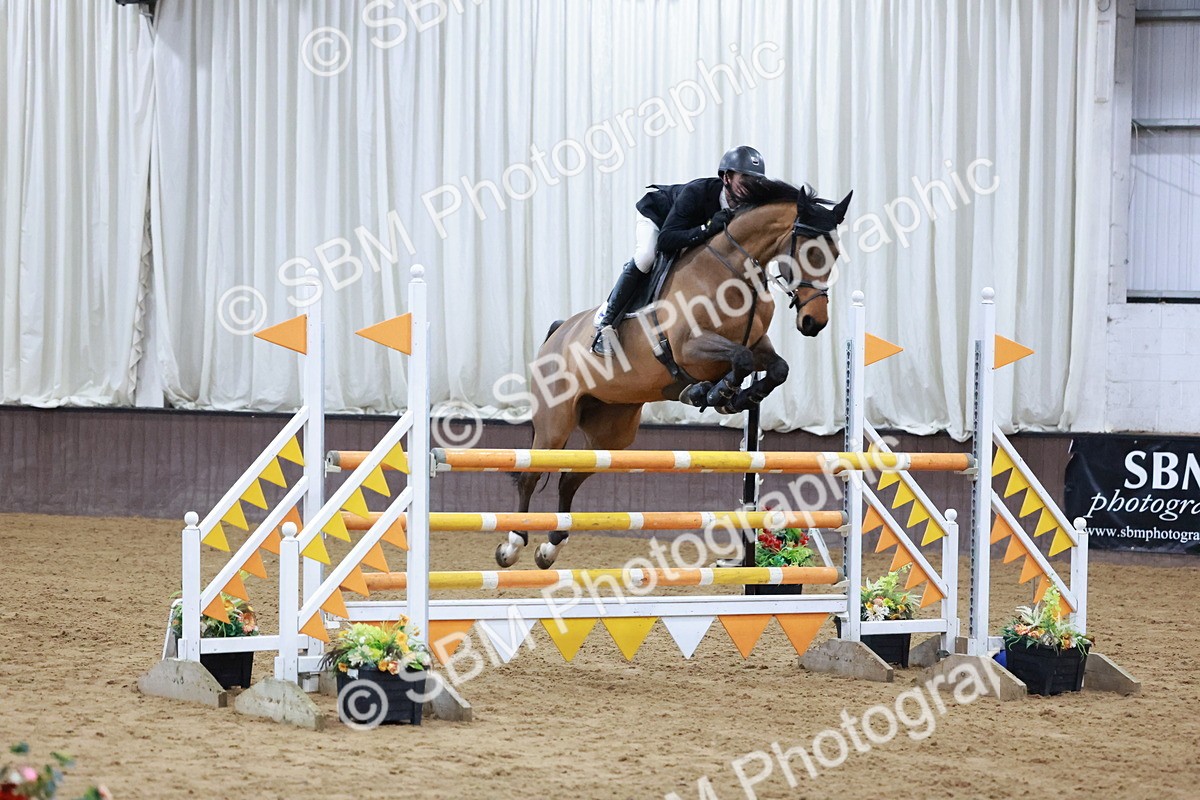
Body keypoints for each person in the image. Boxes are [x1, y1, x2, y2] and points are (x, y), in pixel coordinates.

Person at [591, 146, 767, 356]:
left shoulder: (749, 207)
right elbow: (666, 240)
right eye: (745, 179)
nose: (751, 187)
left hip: (686, 229)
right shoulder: (697, 192)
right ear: (727, 177)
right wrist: (707, 229)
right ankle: (606, 320)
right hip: (659, 217)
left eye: (756, 181)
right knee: (646, 255)